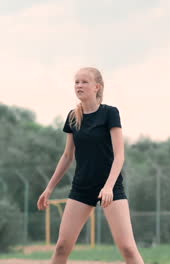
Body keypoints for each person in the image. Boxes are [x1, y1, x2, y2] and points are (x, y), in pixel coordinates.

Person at [37, 67, 144, 264]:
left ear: (97, 87)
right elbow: (68, 156)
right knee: (61, 247)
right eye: (76, 82)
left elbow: (119, 156)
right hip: (81, 188)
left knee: (128, 248)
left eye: (84, 82)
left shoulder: (110, 113)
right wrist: (49, 188)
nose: (79, 85)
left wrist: (109, 186)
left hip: (110, 188)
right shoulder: (72, 117)